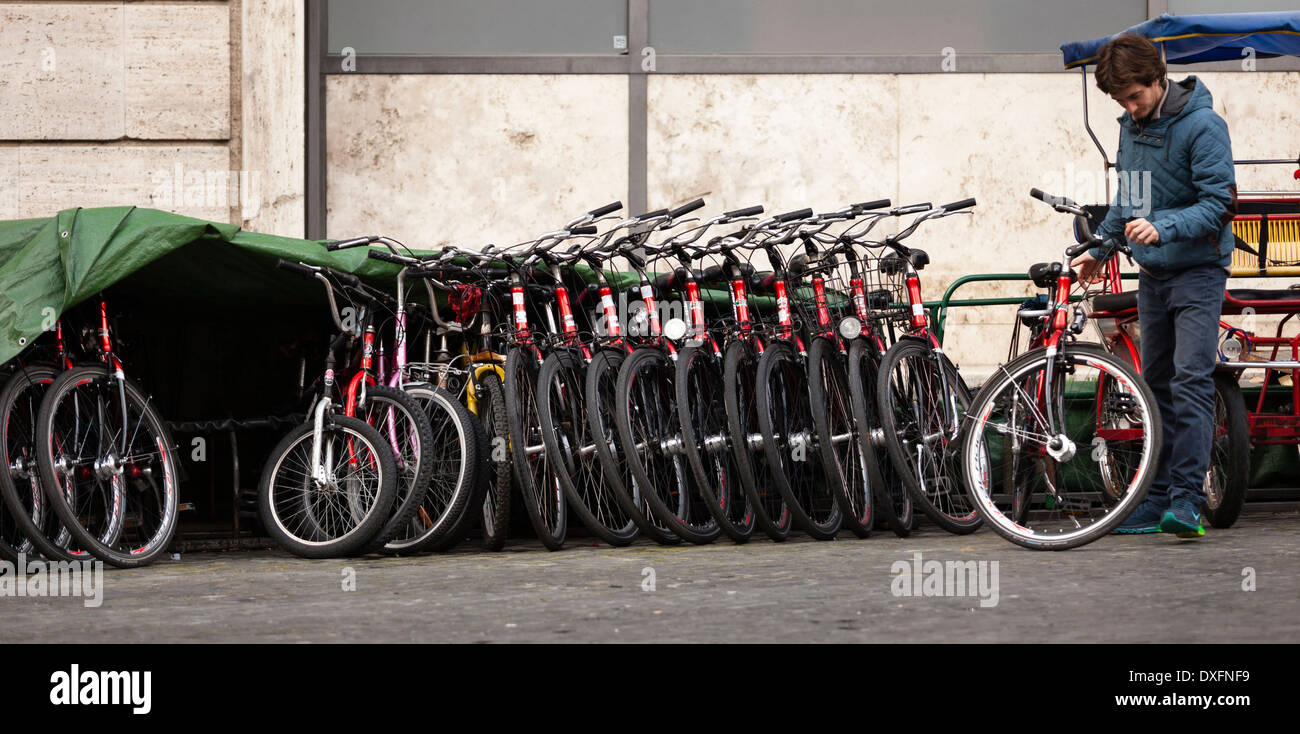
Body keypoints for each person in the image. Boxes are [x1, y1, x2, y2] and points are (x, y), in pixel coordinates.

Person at [1070, 34, 1236, 539]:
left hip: (1199, 272)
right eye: (1120, 101)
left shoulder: (1203, 126)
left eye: (1134, 96)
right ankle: (1158, 498)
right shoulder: (1132, 129)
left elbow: (1221, 203)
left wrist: (1164, 226)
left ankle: (1186, 501)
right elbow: (1131, 195)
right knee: (1154, 386)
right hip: (1154, 276)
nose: (1128, 107)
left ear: (1158, 79)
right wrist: (1100, 248)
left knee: (1190, 382)